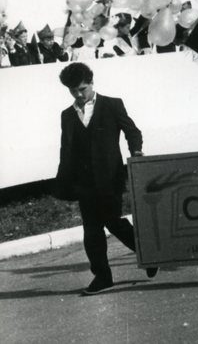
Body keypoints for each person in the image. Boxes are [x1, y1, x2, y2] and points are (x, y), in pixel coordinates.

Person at [53, 62, 155, 295]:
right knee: (91, 229)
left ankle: (148, 254)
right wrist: (63, 181)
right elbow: (65, 149)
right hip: (83, 182)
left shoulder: (112, 105)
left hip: (110, 178)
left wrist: (136, 151)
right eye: (73, 91)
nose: (79, 95)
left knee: (113, 222)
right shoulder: (67, 115)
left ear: (91, 83)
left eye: (82, 89)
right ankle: (102, 277)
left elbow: (132, 131)